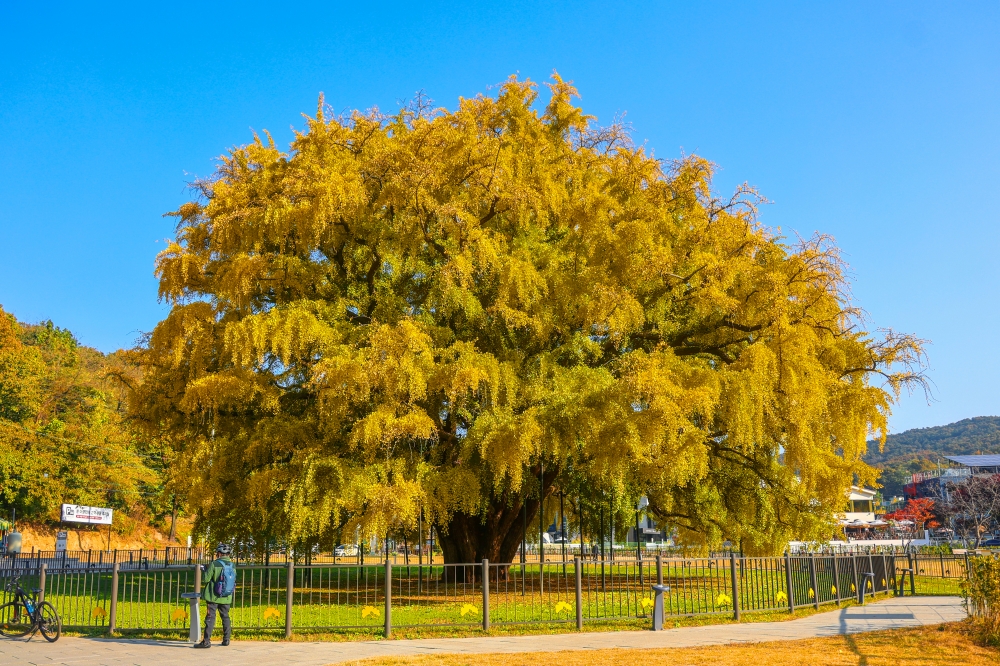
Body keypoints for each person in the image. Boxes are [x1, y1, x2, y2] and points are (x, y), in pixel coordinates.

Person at [195, 543, 234, 648]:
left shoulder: (215, 564)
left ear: (219, 553)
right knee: (225, 617)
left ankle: (206, 641)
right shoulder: (232, 565)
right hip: (226, 596)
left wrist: (205, 570)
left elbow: (206, 579)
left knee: (210, 617)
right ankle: (226, 640)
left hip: (213, 596)